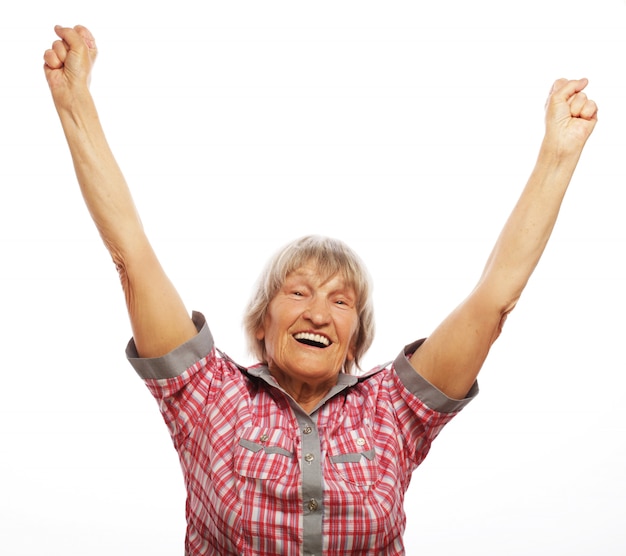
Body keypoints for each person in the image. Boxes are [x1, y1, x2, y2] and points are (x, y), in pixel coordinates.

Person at [43, 24, 597, 556]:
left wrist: (559, 152)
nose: (319, 313)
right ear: (263, 323)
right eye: (298, 292)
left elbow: (494, 298)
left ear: (356, 336)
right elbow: (131, 257)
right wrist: (75, 102)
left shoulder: (394, 411)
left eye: (340, 301)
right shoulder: (207, 396)